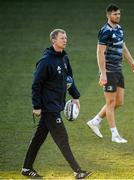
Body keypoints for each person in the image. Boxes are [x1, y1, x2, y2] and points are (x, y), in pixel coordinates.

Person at [21, 29, 92, 179]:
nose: (65, 40)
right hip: (49, 107)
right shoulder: (45, 61)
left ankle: (26, 168)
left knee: (38, 138)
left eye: (66, 38)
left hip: (55, 105)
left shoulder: (64, 58)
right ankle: (78, 171)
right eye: (62, 38)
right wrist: (36, 106)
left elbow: (69, 79)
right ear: (53, 41)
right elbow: (36, 84)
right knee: (62, 138)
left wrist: (75, 96)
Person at [87, 4, 134, 143]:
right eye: (115, 14)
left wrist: (132, 62)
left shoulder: (120, 29)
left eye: (119, 14)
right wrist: (103, 73)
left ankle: (95, 121)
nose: (118, 16)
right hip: (108, 71)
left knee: (119, 102)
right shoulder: (105, 31)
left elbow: (122, 46)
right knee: (110, 102)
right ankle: (114, 135)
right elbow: (100, 52)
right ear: (108, 15)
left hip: (118, 69)